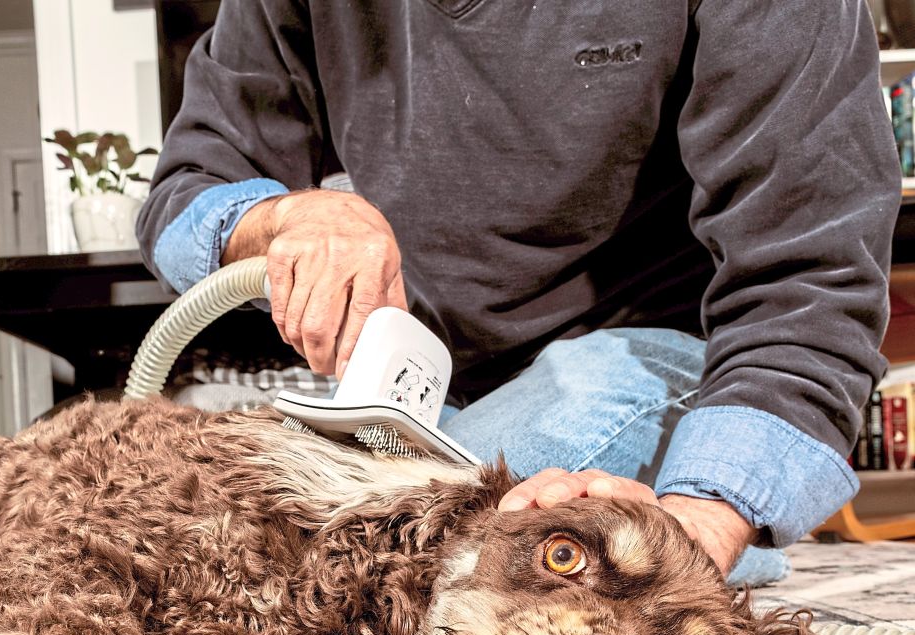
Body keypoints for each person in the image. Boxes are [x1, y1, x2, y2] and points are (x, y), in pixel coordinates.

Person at [136, 0, 901, 586]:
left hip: (664, 357)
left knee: (417, 551)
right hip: (429, 392)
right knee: (202, 520)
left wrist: (697, 530)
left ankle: (707, 499)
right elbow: (186, 191)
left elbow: (811, 272)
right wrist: (284, 218)